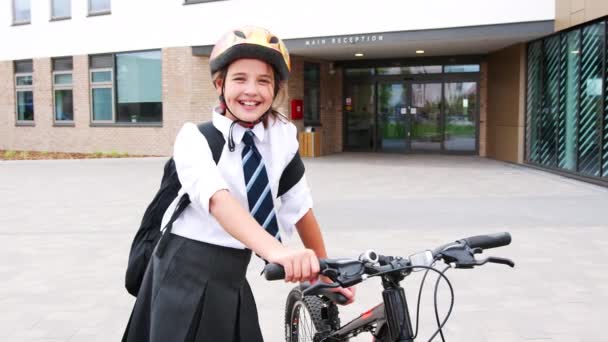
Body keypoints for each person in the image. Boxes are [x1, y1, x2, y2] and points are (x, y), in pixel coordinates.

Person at [122, 25, 355, 342]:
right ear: (220, 84)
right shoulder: (195, 137)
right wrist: (279, 253)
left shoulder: (281, 137)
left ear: (275, 90)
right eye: (240, 78)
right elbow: (218, 200)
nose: (252, 90)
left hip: (232, 271)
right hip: (183, 268)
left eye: (264, 81)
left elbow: (298, 206)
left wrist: (325, 269)